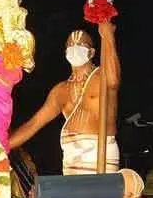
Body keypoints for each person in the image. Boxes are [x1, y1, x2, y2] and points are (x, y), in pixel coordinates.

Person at [8, 22, 120, 175]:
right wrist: (0, 147)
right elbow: (33, 124)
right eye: (70, 44)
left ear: (92, 52)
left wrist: (107, 36)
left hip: (102, 160)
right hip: (71, 165)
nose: (75, 46)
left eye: (80, 44)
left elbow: (113, 81)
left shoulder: (102, 77)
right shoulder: (60, 90)